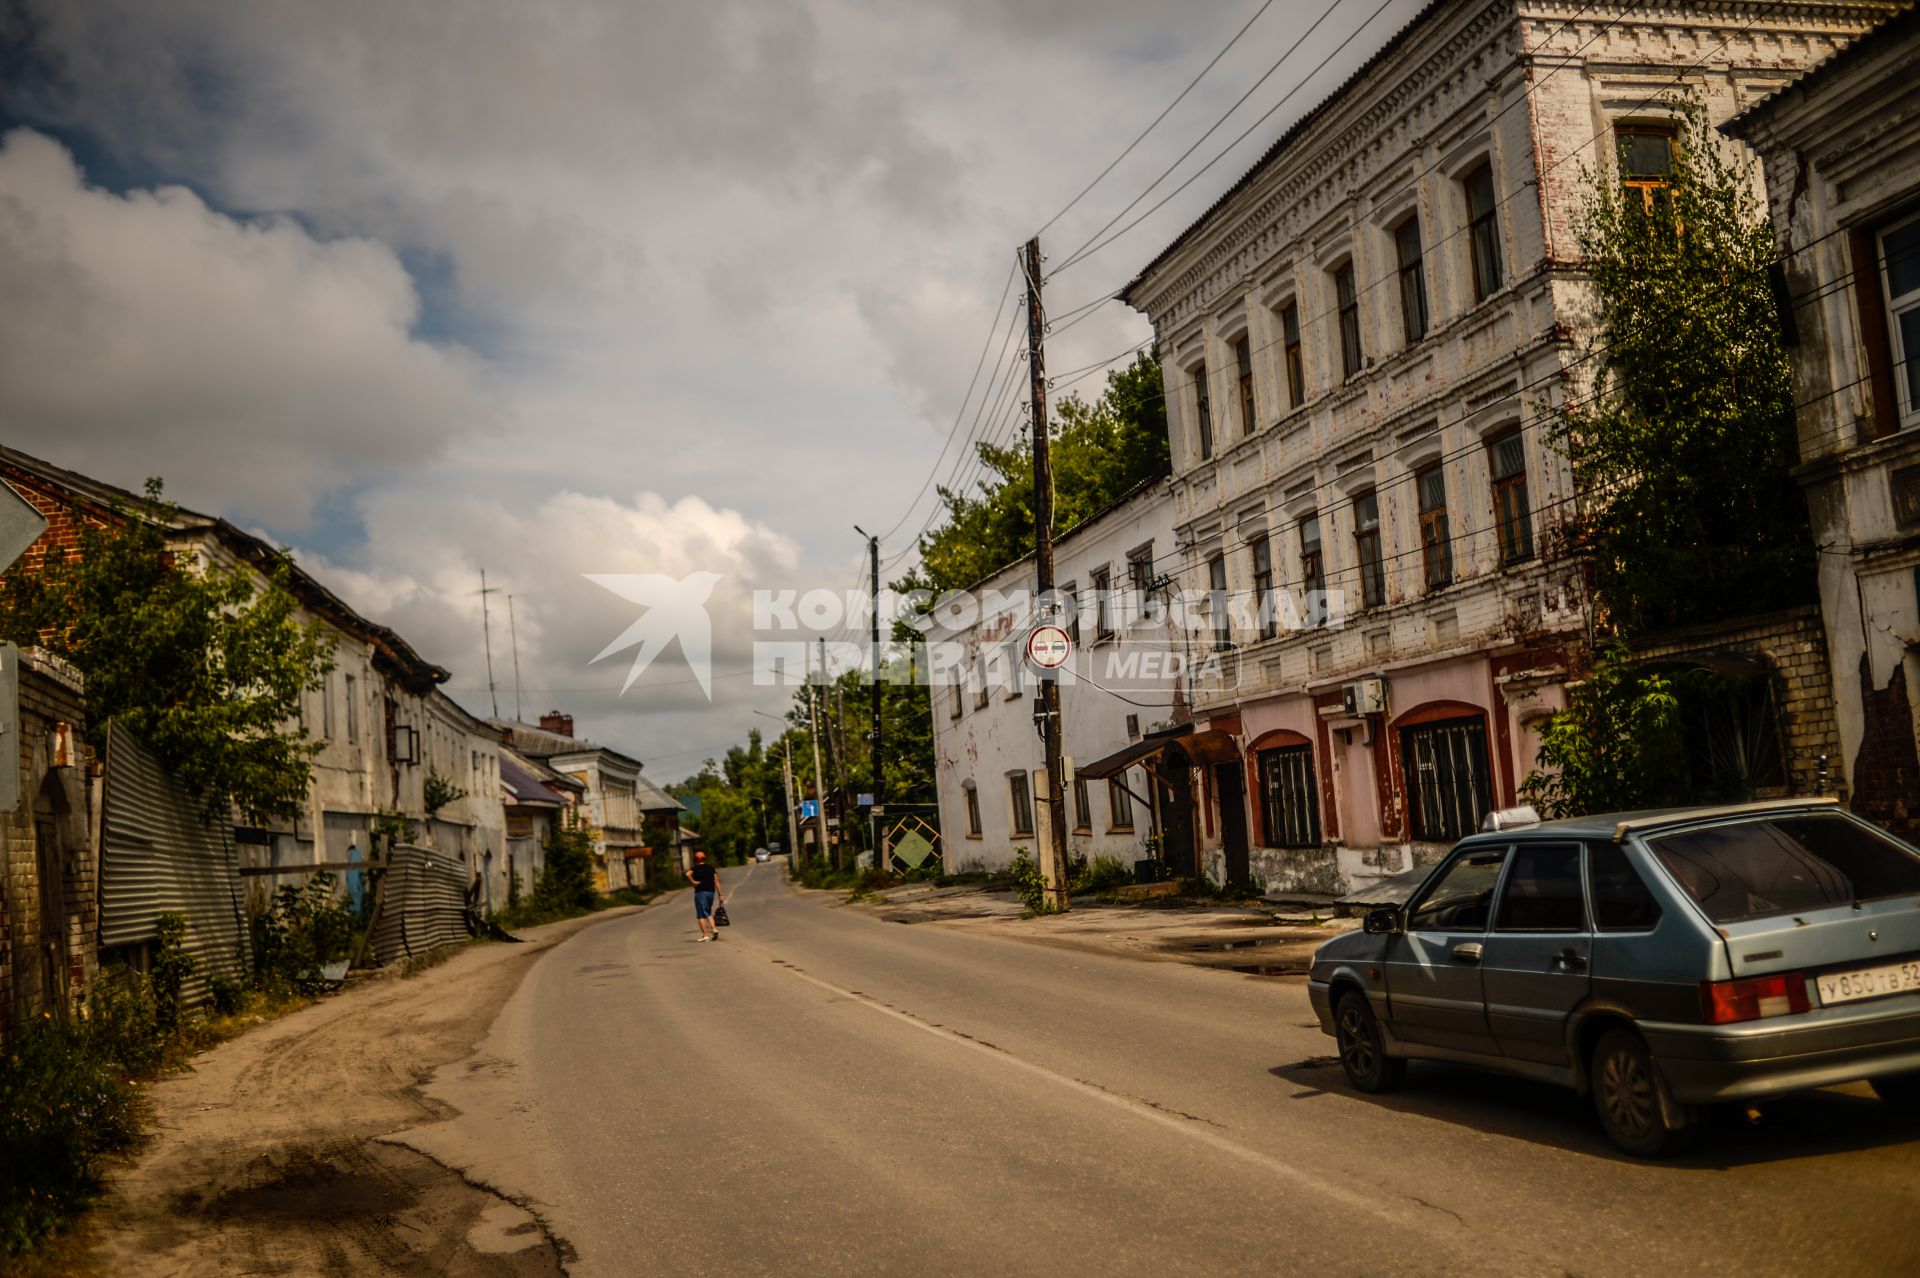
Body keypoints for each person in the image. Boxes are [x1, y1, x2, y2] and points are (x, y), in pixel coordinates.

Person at [690, 851, 724, 941]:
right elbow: (717, 882)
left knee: (701, 915)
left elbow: (687, 874)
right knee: (708, 912)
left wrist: (692, 881)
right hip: (710, 892)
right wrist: (720, 895)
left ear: (696, 860)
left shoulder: (695, 868)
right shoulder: (710, 868)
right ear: (704, 858)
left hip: (700, 893)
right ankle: (714, 929)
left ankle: (705, 935)